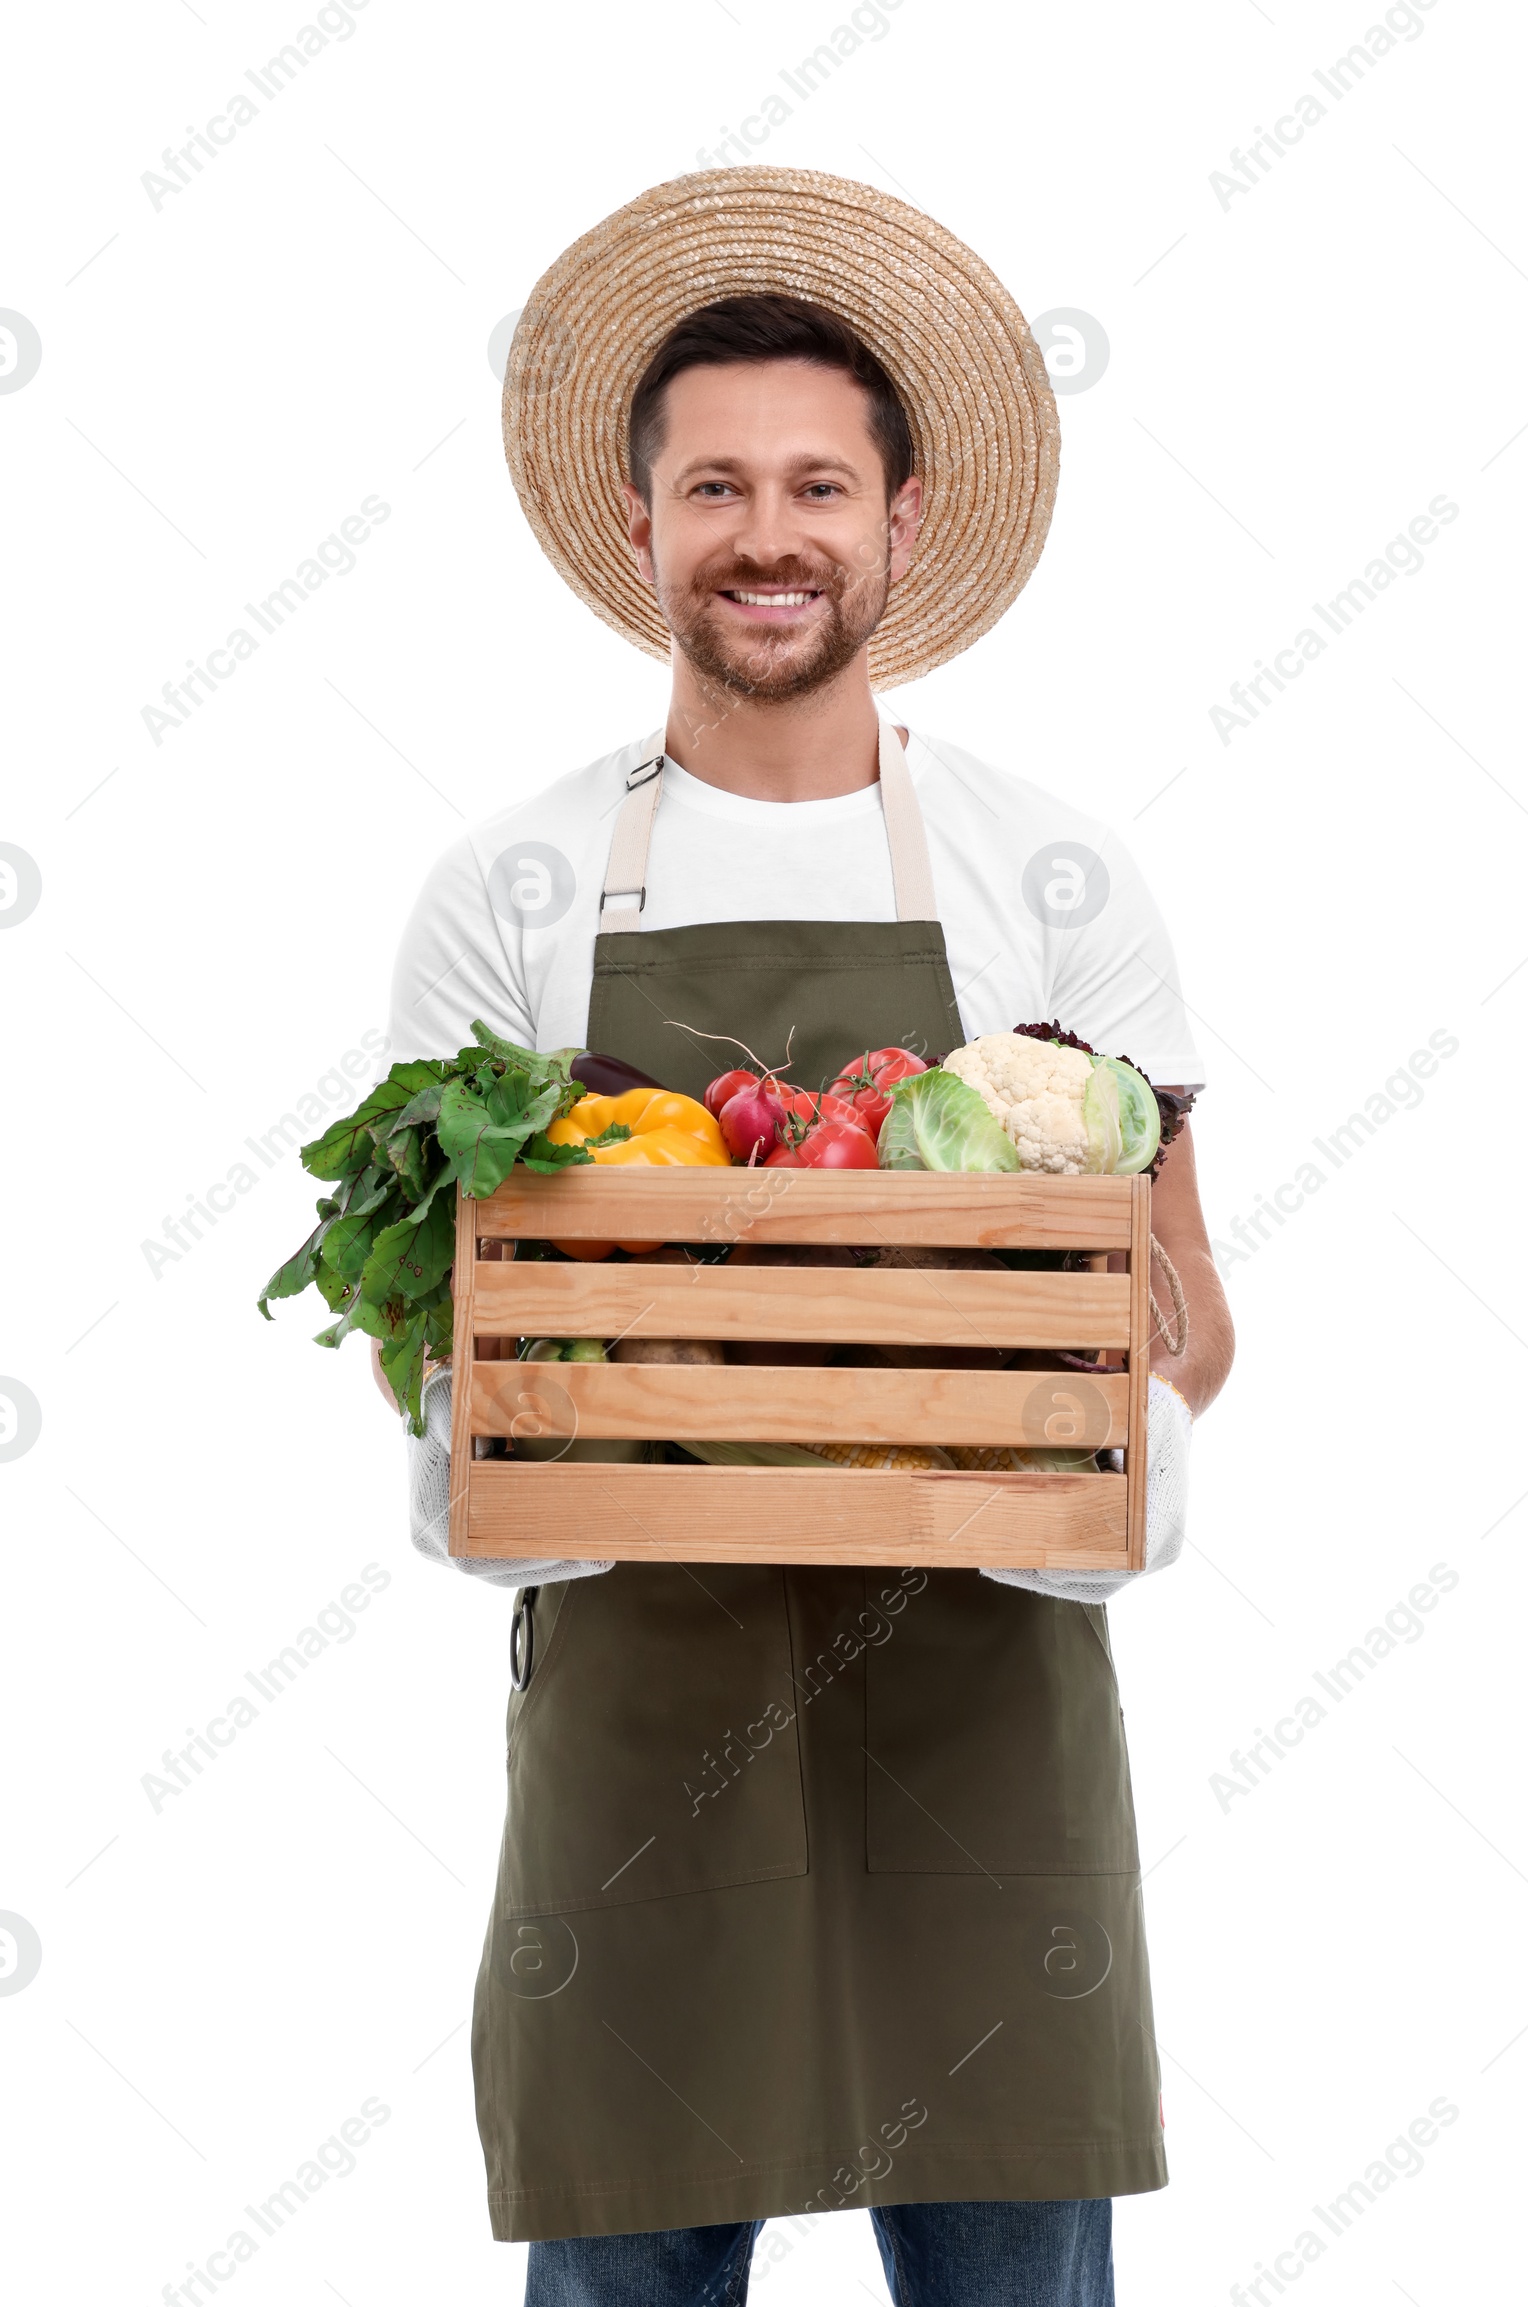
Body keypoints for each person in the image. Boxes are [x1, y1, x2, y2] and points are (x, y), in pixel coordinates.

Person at [381, 168, 1234, 2307]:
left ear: (901, 523)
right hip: (640, 1709)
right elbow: (421, 1314)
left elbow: (1196, 1322)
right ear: (643, 526)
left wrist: (1086, 1365)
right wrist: (494, 1421)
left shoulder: (1051, 882)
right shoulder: (515, 887)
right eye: (718, 487)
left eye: (819, 486)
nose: (770, 535)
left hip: (987, 1703)